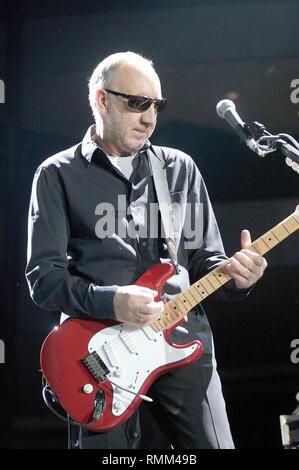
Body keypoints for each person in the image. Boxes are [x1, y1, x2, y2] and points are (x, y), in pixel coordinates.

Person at [26, 51, 267, 449]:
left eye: (156, 105)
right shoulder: (56, 174)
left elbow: (207, 260)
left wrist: (238, 275)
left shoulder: (179, 168)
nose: (149, 118)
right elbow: (43, 281)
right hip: (97, 357)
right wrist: (113, 302)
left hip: (183, 342)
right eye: (137, 104)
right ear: (102, 100)